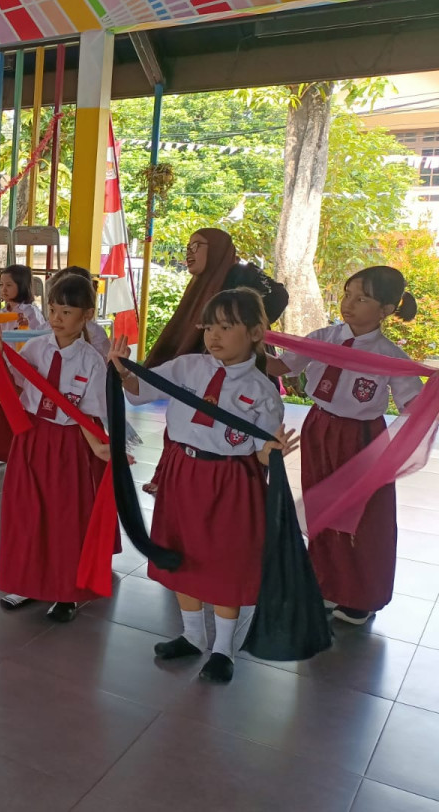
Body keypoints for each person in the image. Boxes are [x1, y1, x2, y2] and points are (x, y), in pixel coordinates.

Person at [109, 288, 298, 684]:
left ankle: (223, 649)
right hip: (183, 474)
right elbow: (141, 391)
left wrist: (272, 454)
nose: (214, 336)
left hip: (231, 482)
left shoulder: (264, 393)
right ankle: (193, 637)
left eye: (226, 327)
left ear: (256, 332)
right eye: (209, 326)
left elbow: (262, 450)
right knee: (183, 555)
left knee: (225, 564)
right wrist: (124, 371)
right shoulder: (186, 367)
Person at [268, 266, 439, 625]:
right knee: (321, 505)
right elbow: (281, 366)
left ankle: (360, 596)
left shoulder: (390, 356)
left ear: (387, 309)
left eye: (362, 299)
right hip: (319, 427)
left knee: (363, 516)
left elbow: (412, 404)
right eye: (347, 294)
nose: (349, 304)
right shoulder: (324, 336)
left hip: (362, 438)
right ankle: (325, 585)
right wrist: (245, 343)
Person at [0, 275, 111, 621]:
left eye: (67, 310)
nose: (57, 317)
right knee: (27, 511)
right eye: (53, 309)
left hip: (69, 443)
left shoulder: (91, 360)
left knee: (65, 516)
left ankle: (66, 591)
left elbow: (91, 413)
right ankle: (28, 582)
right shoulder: (36, 347)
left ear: (86, 314)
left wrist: (100, 447)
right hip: (33, 437)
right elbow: (17, 381)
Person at [141, 228, 288, 496]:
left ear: (218, 250)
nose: (189, 252)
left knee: (239, 437)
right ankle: (169, 475)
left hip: (239, 370)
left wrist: (241, 322)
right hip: (204, 368)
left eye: (197, 245)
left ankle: (242, 488)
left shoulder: (238, 275)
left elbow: (278, 295)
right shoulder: (199, 286)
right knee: (187, 425)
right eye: (188, 246)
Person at [0, 263, 47, 470]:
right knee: (2, 411)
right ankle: (0, 453)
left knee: (21, 409)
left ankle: (22, 453)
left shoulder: (31, 312)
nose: (4, 289)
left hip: (21, 370)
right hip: (3, 368)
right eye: (2, 285)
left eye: (9, 285)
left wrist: (23, 324)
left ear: (23, 286)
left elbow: (38, 337)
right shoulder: (1, 313)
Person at [50, 266, 111, 357]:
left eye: (66, 312)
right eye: (52, 310)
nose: (56, 318)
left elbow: (103, 365)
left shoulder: (96, 334)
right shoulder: (46, 331)